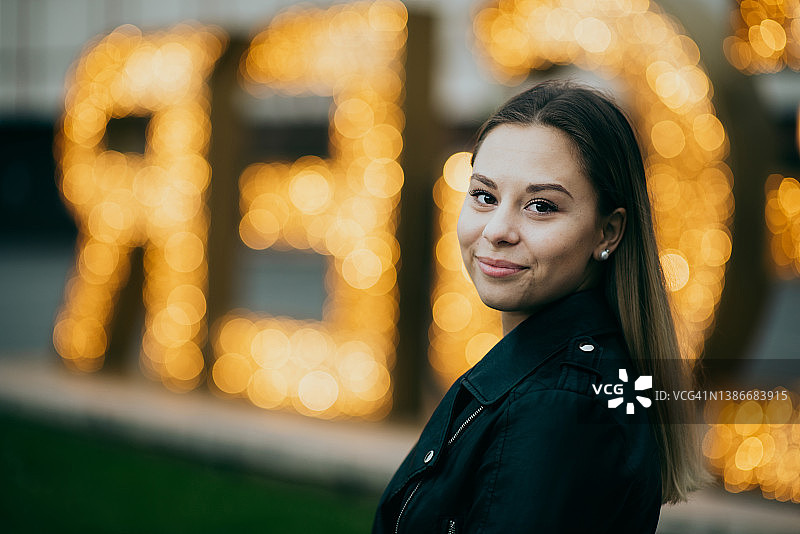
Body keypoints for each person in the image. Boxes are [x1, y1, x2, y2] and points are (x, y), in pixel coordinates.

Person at [372, 80, 709, 533]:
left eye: (541, 206)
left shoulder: (556, 405)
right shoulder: (549, 380)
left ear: (608, 232)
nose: (497, 230)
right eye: (484, 196)